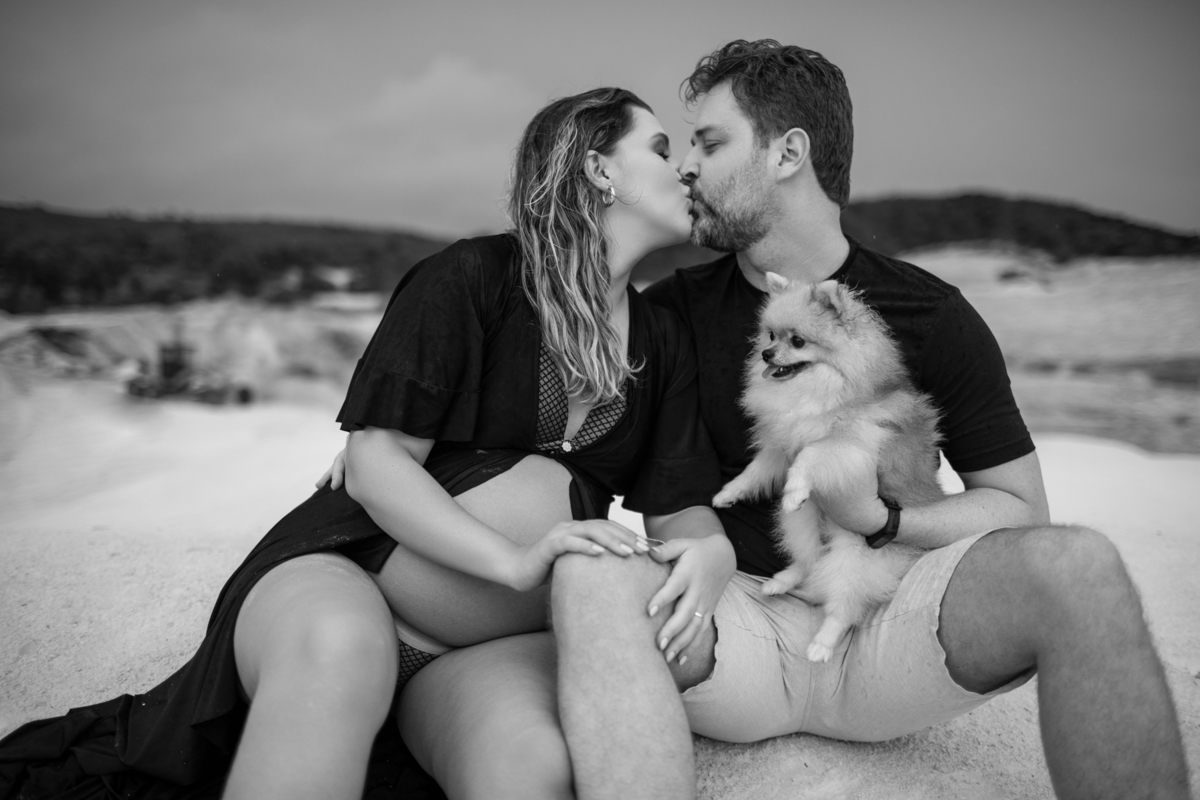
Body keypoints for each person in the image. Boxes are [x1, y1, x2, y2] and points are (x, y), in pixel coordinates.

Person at [0, 87, 722, 800]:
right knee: (337, 656)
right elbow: (377, 461)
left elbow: (677, 506)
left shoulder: (660, 337)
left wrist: (708, 554)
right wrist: (513, 560)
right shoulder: (476, 277)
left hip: (480, 652)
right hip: (353, 578)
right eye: (660, 149)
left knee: (530, 766)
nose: (685, 168)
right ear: (600, 170)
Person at [547, 40, 1191, 800]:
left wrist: (883, 519)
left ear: (789, 154)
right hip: (740, 629)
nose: (687, 166)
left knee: (1078, 564)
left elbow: (1021, 511)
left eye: (711, 143)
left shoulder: (932, 312)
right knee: (587, 575)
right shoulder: (669, 317)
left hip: (894, 624)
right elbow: (674, 502)